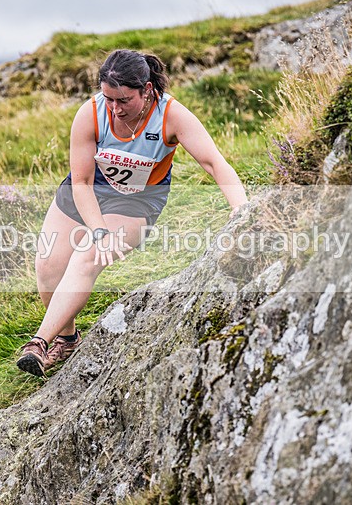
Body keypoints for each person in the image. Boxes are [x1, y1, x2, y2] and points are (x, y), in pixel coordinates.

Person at [16, 49, 248, 377]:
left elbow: (214, 163)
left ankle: (39, 343)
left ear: (147, 90)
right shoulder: (91, 113)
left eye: (123, 100)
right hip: (85, 192)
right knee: (48, 266)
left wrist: (241, 210)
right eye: (108, 98)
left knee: (88, 257)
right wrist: (98, 228)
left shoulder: (171, 115)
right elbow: (80, 182)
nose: (115, 108)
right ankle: (67, 340)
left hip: (135, 203)